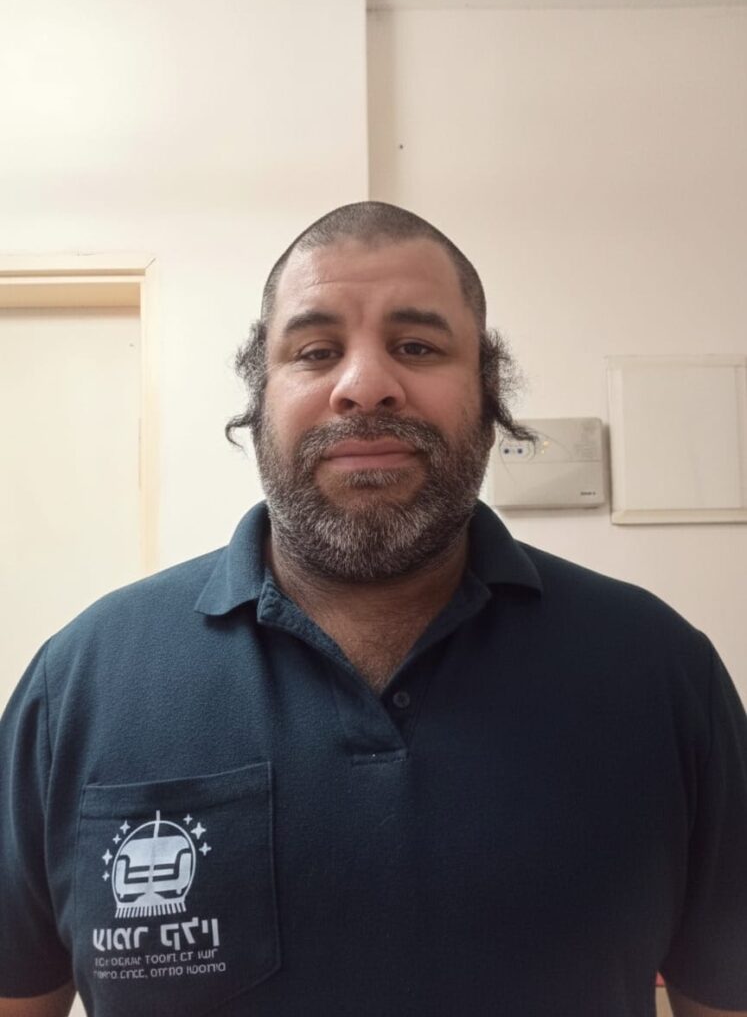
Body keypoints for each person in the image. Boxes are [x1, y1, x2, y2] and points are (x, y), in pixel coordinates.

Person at [1, 202, 745, 1017]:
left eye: (417, 346)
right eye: (315, 351)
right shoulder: (80, 681)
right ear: (259, 394)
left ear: (487, 390)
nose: (363, 386)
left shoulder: (658, 668)